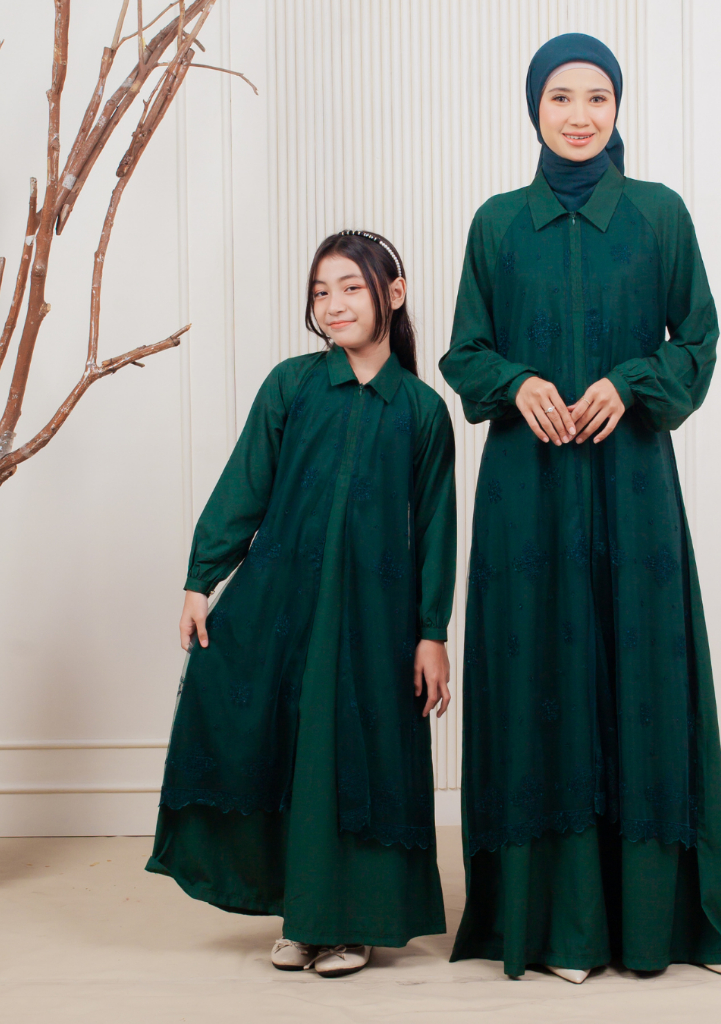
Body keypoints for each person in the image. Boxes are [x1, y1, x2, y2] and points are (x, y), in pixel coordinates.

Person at [439, 33, 721, 983]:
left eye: (598, 98)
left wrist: (631, 381)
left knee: (642, 673)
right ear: (533, 107)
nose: (579, 116)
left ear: (619, 109)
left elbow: (697, 338)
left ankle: (658, 921)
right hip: (527, 498)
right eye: (560, 97)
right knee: (539, 673)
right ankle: (557, 928)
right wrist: (516, 381)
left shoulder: (659, 214)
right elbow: (464, 352)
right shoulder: (498, 224)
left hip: (632, 488)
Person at [146, 230, 457, 978]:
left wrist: (432, 632)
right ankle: (302, 916)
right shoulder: (291, 386)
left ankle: (350, 926)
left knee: (359, 759)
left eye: (350, 287)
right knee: (290, 751)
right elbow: (245, 483)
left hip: (375, 621)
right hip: (283, 605)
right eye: (321, 291)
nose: (333, 304)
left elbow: (437, 530)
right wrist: (201, 579)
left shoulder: (421, 410)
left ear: (394, 293)